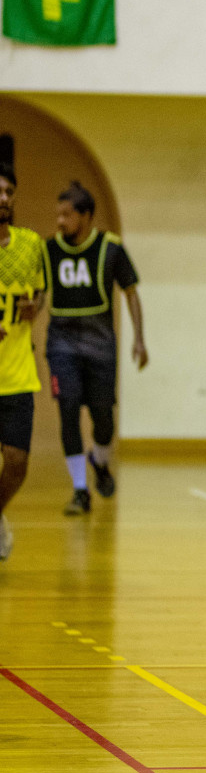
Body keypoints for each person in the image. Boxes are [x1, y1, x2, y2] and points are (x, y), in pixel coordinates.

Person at [45, 182, 147, 516]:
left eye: (67, 214)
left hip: (100, 345)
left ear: (86, 216)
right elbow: (35, 293)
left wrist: (139, 339)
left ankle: (99, 461)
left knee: (104, 419)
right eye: (58, 214)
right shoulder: (49, 250)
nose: (60, 221)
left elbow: (131, 292)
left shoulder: (110, 248)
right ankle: (79, 490)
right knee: (68, 410)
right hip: (62, 344)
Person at [0, 164, 48, 561]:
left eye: (9, 192)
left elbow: (40, 292)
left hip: (16, 372)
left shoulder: (31, 244)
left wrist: (36, 308)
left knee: (17, 464)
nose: (4, 198)